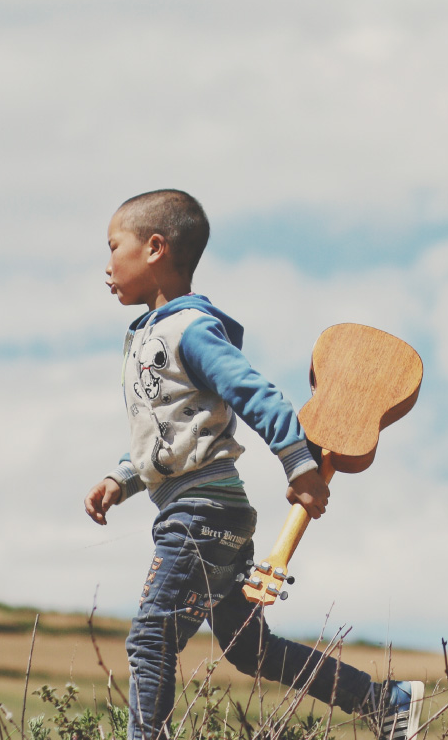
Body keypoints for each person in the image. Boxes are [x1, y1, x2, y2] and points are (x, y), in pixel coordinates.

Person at [83, 189, 423, 740]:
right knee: (250, 649)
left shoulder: (189, 330)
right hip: (208, 510)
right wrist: (120, 479)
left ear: (154, 248)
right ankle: (387, 701)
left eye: (112, 246)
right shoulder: (151, 335)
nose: (105, 264)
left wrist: (299, 466)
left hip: (200, 512)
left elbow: (255, 392)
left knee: (151, 635)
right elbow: (164, 431)